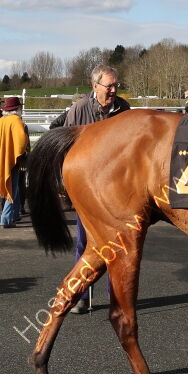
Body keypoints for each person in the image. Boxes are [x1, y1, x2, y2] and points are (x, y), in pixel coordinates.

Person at [55, 65, 130, 313]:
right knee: (85, 244)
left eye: (115, 85)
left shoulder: (123, 108)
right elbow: (67, 149)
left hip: (116, 190)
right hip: (88, 188)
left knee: (117, 245)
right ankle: (81, 296)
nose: (113, 90)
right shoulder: (79, 109)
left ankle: (116, 298)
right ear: (94, 86)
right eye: (108, 85)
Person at [0, 97, 29, 228]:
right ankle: (6, 220)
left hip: (1, 158)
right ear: (17, 108)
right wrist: (18, 153)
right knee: (11, 189)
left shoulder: (1, 121)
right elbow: (22, 141)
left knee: (15, 188)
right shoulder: (17, 120)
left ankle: (15, 215)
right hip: (13, 160)